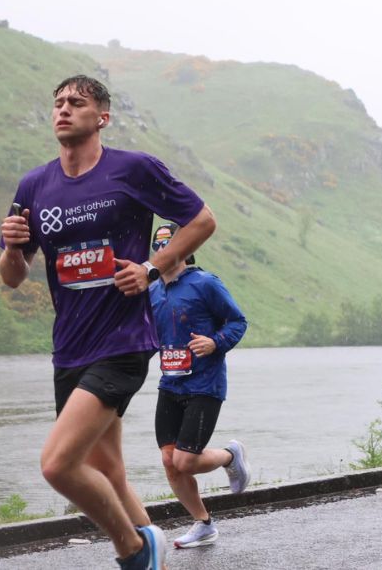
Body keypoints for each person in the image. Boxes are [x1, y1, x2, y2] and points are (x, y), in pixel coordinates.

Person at [0, 74, 217, 570]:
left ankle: (133, 549)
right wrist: (12, 246)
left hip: (123, 343)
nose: (64, 109)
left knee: (58, 465)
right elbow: (13, 278)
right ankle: (152, 555)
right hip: (69, 346)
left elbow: (202, 220)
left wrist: (150, 269)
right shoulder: (35, 185)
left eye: (76, 102)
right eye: (57, 103)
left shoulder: (133, 169)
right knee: (109, 470)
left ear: (102, 117)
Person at [148, 223, 250, 549]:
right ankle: (203, 524)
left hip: (205, 384)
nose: (163, 250)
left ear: (184, 249)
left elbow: (238, 321)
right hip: (170, 384)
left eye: (170, 244)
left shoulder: (206, 283)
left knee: (186, 461)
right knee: (169, 460)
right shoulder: (152, 291)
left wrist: (215, 341)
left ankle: (229, 457)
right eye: (158, 245)